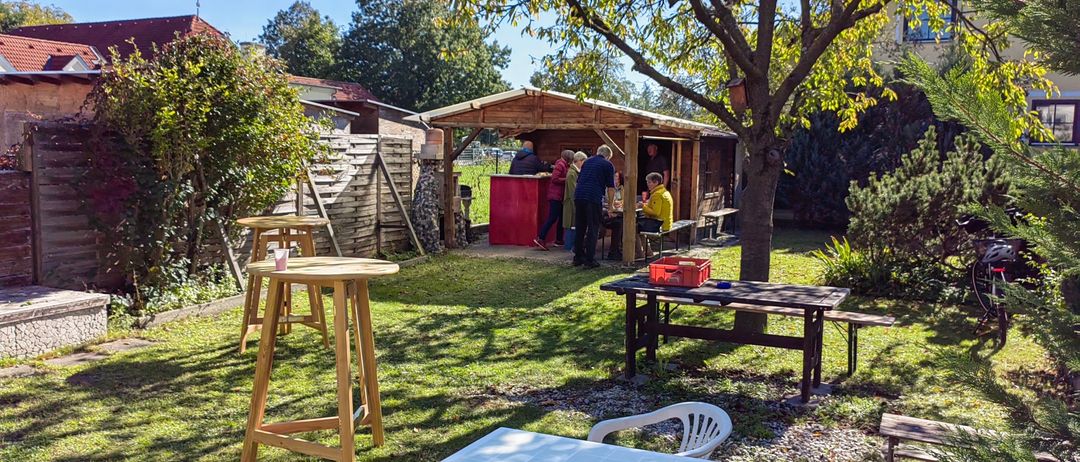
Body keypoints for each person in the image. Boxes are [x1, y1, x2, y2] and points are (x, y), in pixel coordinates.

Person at [606, 172, 673, 260]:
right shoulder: (664, 192)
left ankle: (639, 253)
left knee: (632, 227)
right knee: (638, 225)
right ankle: (648, 252)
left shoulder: (657, 194)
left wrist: (643, 206)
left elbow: (656, 212)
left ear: (656, 182)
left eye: (649, 182)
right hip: (664, 222)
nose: (647, 184)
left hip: (659, 224)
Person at [573, 146, 616, 268]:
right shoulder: (607, 165)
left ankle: (578, 257)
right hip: (593, 197)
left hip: (579, 196)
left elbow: (580, 180)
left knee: (580, 228)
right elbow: (611, 188)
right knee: (593, 228)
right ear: (607, 156)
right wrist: (611, 206)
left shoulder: (587, 162)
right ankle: (589, 260)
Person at [534, 150, 574, 249]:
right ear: (568, 158)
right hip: (555, 196)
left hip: (560, 196)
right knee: (552, 218)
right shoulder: (560, 164)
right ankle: (540, 237)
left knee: (561, 218)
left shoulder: (564, 165)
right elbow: (554, 179)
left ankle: (559, 240)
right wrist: (567, 180)